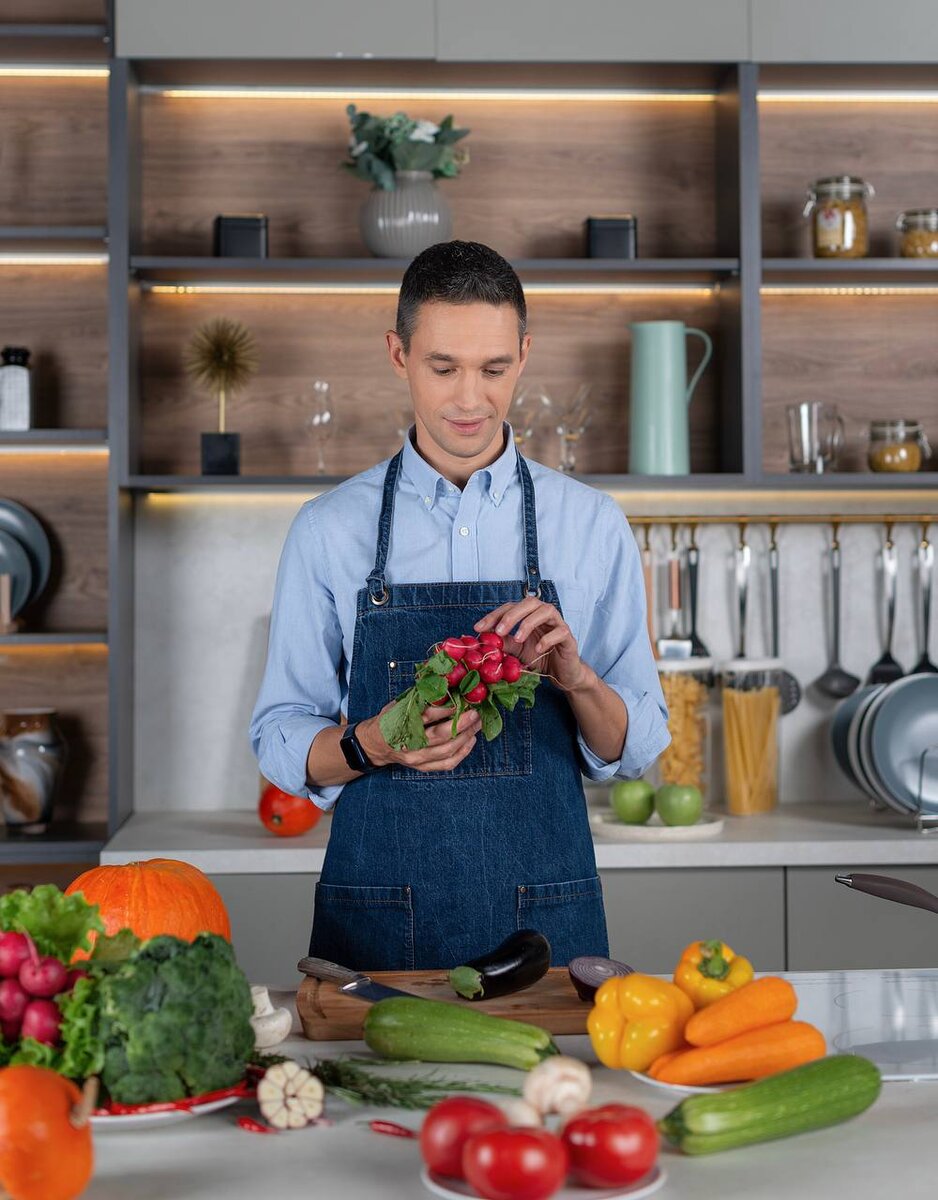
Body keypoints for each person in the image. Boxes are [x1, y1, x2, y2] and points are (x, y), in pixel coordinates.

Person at [249, 239, 669, 971]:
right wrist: (369, 743)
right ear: (398, 354)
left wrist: (579, 680)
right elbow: (280, 736)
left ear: (525, 355)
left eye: (494, 368)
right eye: (443, 367)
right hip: (377, 921)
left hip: (549, 918)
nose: (470, 398)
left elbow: (633, 747)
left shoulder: (592, 524)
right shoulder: (328, 529)